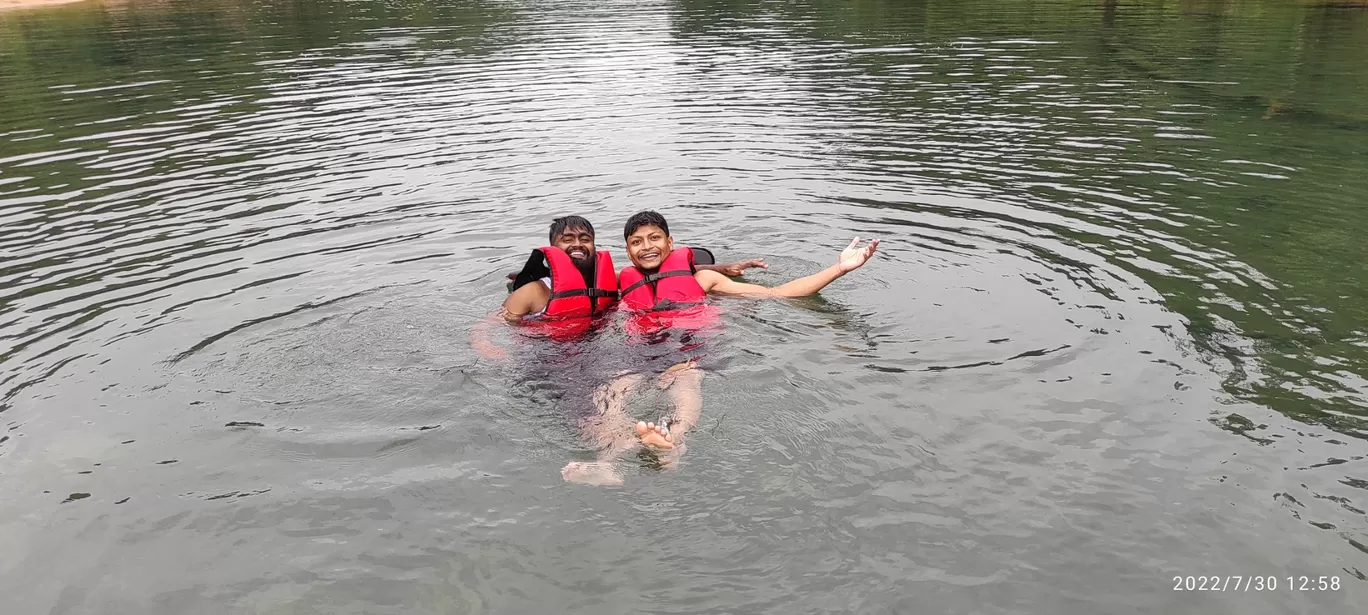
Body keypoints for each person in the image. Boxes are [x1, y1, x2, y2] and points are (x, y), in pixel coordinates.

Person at [560, 210, 879, 486]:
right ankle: (608, 462)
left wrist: (839, 269)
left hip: (686, 354)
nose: (647, 247)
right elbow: (574, 290)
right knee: (608, 397)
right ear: (628, 252)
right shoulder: (621, 283)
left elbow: (778, 293)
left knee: (685, 388)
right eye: (637, 242)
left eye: (654, 238)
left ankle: (673, 441)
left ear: (670, 244)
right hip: (637, 355)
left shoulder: (704, 280)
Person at [471, 215, 766, 356]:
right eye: (568, 240)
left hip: (600, 350)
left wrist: (722, 268)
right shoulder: (534, 291)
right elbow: (490, 324)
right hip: (547, 355)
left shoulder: (610, 282)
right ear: (553, 248)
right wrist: (490, 348)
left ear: (594, 245)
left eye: (584, 239)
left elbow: (663, 276)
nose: (577, 245)